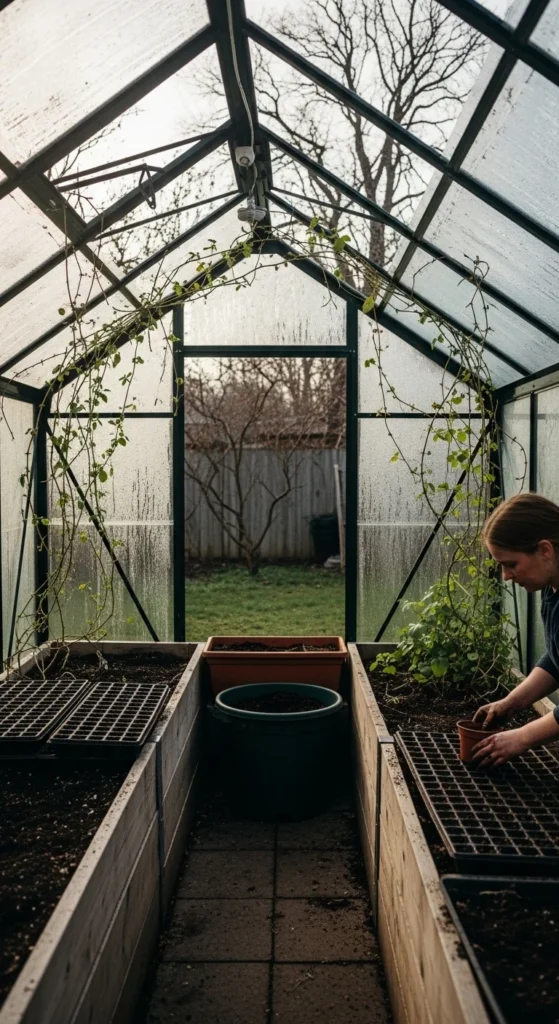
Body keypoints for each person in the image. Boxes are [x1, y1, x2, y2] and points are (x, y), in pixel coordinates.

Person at [472, 492, 559, 768]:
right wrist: (512, 702)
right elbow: (558, 657)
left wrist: (522, 738)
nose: (506, 576)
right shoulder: (552, 588)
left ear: (545, 550)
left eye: (511, 564)